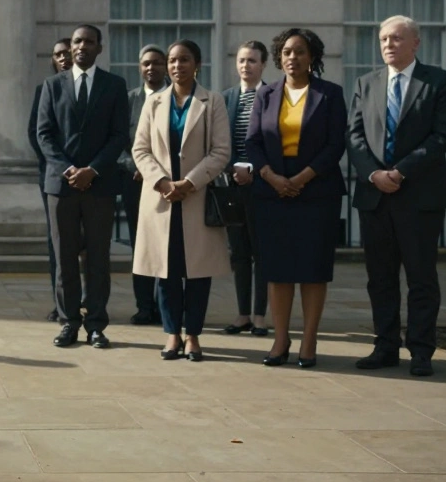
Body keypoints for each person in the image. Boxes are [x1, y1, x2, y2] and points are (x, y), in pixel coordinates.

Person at [348, 15, 446, 377]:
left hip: (419, 197)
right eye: (382, 40)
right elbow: (355, 137)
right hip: (375, 196)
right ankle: (385, 346)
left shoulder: (439, 81)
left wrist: (401, 171)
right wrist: (374, 173)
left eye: (396, 39)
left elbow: (443, 136)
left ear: (415, 43)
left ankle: (422, 351)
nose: (388, 45)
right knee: (380, 277)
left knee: (421, 278)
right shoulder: (366, 83)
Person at [245, 29, 346, 368]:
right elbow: (253, 143)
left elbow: (335, 145)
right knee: (278, 270)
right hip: (273, 193)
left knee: (313, 270)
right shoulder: (266, 95)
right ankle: (280, 339)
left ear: (312, 57)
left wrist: (302, 178)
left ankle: (309, 341)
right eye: (287, 51)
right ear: (279, 57)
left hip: (317, 193)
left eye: (300, 52)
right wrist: (272, 178)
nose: (292, 57)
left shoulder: (330, 94)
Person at [131, 40, 231, 362]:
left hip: (195, 197)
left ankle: (194, 336)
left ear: (197, 64)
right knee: (167, 271)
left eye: (184, 60)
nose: (177, 66)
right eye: (172, 61)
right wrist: (162, 183)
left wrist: (188, 182)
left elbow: (220, 152)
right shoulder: (154, 102)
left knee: (198, 272)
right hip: (161, 200)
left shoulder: (212, 101)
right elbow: (140, 149)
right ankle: (172, 334)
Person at [36, 25, 129, 349]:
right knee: (64, 258)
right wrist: (68, 170)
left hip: (99, 186)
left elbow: (119, 135)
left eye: (89, 41)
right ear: (70, 47)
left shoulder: (114, 86)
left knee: (98, 259)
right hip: (60, 188)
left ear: (99, 48)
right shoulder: (51, 85)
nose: (82, 46)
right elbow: (44, 134)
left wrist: (93, 169)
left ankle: (96, 325)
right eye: (77, 41)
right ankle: (69, 322)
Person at [222, 40, 270, 337]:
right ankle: (242, 314)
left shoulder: (272, 95)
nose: (245, 66)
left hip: (262, 183)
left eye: (252, 60)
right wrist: (232, 169)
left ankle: (260, 315)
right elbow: (219, 141)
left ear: (263, 64)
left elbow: (273, 142)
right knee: (238, 252)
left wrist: (252, 169)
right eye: (241, 60)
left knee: (261, 252)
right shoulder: (226, 98)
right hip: (232, 184)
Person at [120, 44, 167, 326]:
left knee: (165, 246)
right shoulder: (129, 100)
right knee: (141, 245)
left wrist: (158, 172)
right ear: (140, 67)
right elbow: (117, 141)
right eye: (147, 63)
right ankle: (144, 307)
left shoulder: (177, 98)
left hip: (168, 184)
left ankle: (165, 307)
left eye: (157, 63)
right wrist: (135, 167)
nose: (152, 68)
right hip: (135, 183)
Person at [28, 38, 71, 323]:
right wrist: (61, 166)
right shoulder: (44, 89)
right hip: (54, 177)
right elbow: (36, 133)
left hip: (90, 177)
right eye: (58, 55)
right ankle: (61, 304)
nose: (64, 58)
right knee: (57, 244)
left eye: (67, 53)